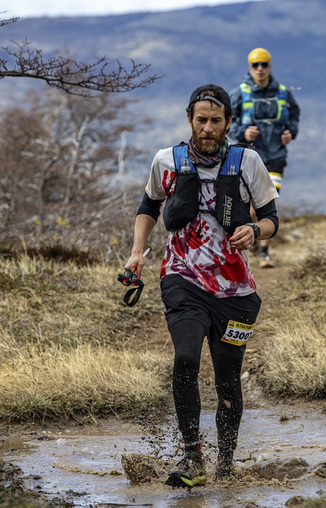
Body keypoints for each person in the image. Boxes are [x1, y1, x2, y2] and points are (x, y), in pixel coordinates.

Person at [122, 84, 279, 483]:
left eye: (215, 121)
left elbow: (271, 218)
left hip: (235, 291)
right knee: (186, 359)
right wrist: (137, 252)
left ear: (228, 122)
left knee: (228, 376)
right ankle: (193, 459)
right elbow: (149, 205)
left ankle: (224, 464)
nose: (207, 128)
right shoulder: (167, 160)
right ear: (189, 120)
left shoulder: (248, 162)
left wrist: (255, 231)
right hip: (181, 277)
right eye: (200, 120)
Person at [229, 47, 300, 268]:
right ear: (249, 67)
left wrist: (291, 133)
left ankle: (264, 251)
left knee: (268, 201)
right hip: (250, 157)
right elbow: (226, 121)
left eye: (264, 64)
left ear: (270, 66)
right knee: (249, 205)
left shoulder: (282, 92)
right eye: (255, 65)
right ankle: (244, 247)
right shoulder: (239, 93)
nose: (260, 69)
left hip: (276, 155)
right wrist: (243, 133)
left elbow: (295, 116)